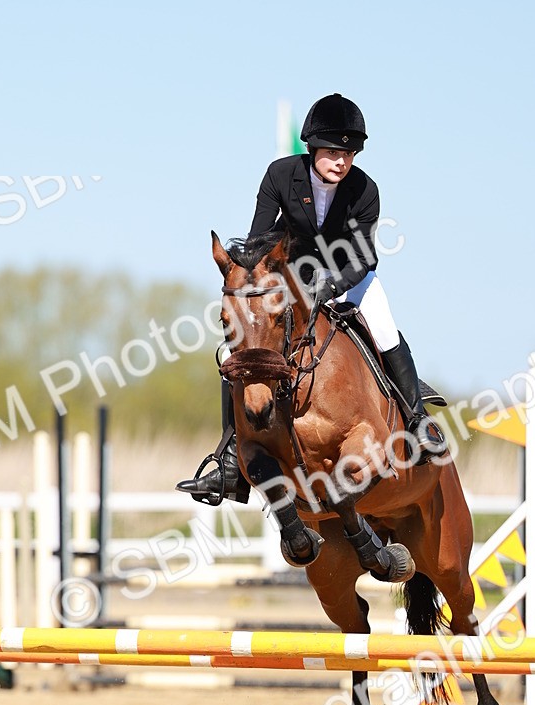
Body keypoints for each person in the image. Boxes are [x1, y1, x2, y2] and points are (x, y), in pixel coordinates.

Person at [177, 92, 446, 504]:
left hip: (349, 278)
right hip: (290, 279)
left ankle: (416, 420)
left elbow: (364, 255)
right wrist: (256, 279)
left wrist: (330, 286)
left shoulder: (364, 189)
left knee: (385, 326)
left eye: (349, 153)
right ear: (313, 146)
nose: (342, 160)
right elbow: (259, 240)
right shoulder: (280, 175)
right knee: (246, 347)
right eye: (334, 151)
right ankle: (231, 459)